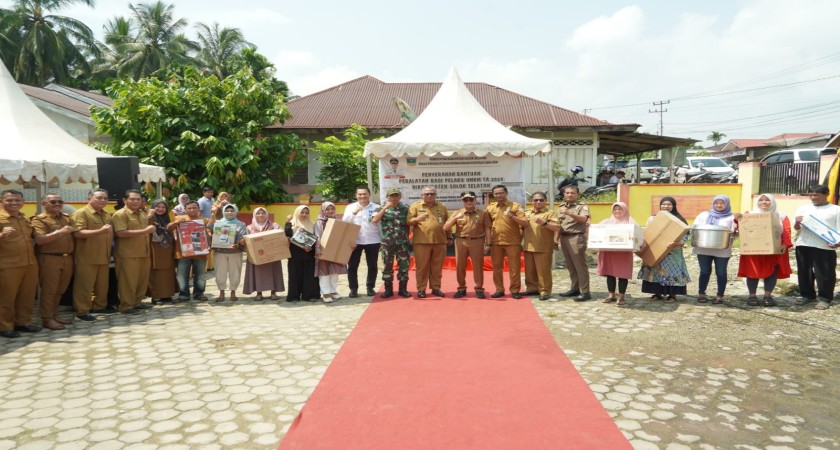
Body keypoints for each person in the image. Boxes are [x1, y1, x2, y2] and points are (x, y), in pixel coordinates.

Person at [737, 194, 792, 307]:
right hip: (753, 250)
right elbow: (739, 226)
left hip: (773, 250)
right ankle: (752, 295)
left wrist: (785, 244)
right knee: (752, 271)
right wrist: (736, 218)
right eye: (761, 200)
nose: (764, 202)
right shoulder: (749, 214)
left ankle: (767, 296)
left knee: (772, 271)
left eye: (767, 200)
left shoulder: (781, 215)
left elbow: (786, 230)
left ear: (772, 202)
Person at [793, 184, 840, 310]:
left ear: (826, 195)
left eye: (816, 195)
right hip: (803, 244)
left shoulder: (835, 210)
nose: (813, 197)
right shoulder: (803, 208)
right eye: (811, 194)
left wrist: (838, 242)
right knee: (804, 272)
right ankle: (807, 295)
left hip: (824, 246)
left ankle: (825, 298)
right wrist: (797, 222)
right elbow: (797, 228)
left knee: (825, 273)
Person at [31, 194, 75, 330]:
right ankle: (47, 319)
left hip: (67, 258)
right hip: (49, 258)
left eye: (60, 201)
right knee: (49, 290)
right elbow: (40, 240)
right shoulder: (39, 220)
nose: (57, 204)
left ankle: (54, 315)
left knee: (60, 290)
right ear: (44, 204)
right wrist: (60, 232)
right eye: (53, 202)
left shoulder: (66, 218)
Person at [0, 190, 40, 338]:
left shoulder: (24, 219)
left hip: (29, 263)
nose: (14, 203)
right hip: (7, 265)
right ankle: (4, 327)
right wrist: (2, 235)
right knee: (6, 298)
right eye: (9, 200)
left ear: (23, 201)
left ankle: (23, 323)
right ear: (2, 201)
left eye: (17, 200)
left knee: (27, 296)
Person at [71, 189, 114, 322]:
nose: (102, 200)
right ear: (89, 198)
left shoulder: (106, 214)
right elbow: (77, 233)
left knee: (102, 285)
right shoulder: (81, 213)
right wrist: (99, 231)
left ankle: (99, 307)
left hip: (103, 255)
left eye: (105, 198)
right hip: (87, 257)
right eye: (99, 198)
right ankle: (81, 312)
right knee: (84, 286)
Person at [637, 196, 690, 303]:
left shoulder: (680, 220)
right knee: (655, 270)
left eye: (669, 204)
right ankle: (657, 293)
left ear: (674, 206)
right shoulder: (654, 218)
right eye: (663, 204)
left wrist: (677, 243)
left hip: (672, 253)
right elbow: (648, 233)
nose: (666, 206)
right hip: (656, 250)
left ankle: (672, 295)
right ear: (660, 206)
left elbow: (685, 235)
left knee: (672, 272)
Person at [112, 189, 156, 314]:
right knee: (128, 282)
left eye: (138, 199)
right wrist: (145, 231)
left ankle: (137, 302)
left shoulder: (142, 214)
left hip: (143, 252)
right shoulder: (120, 214)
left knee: (141, 280)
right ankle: (126, 306)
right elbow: (120, 233)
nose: (136, 201)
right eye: (132, 199)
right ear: (125, 200)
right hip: (127, 254)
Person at [510, 191, 558, 301]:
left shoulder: (550, 213)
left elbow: (556, 228)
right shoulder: (527, 213)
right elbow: (521, 228)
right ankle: (532, 288)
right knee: (529, 271)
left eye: (541, 200)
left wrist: (544, 223)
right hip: (528, 246)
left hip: (543, 247)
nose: (539, 202)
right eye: (536, 200)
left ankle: (545, 291)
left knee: (543, 271)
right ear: (532, 201)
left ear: (545, 201)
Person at [443, 191, 491, 299]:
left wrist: (488, 244)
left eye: (471, 199)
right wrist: (456, 218)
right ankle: (461, 288)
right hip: (461, 241)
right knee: (460, 266)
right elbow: (446, 228)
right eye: (466, 200)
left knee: (478, 266)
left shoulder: (482, 213)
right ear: (462, 201)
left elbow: (487, 228)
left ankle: (479, 289)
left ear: (475, 200)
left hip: (477, 241)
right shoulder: (457, 213)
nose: (468, 202)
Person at [692, 195, 737, 304]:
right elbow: (695, 228)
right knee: (704, 272)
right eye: (717, 202)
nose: (719, 205)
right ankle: (701, 293)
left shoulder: (732, 218)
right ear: (713, 203)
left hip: (722, 249)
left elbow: (734, 234)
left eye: (722, 203)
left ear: (727, 204)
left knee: (721, 272)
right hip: (703, 249)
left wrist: (735, 230)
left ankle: (720, 296)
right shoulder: (704, 215)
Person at [407, 186, 449, 298]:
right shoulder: (415, 206)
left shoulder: (442, 206)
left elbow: (447, 223)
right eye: (426, 194)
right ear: (422, 195)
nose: (429, 196)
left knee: (437, 266)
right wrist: (416, 219)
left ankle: (436, 287)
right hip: (421, 241)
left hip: (439, 241)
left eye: (432, 194)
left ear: (436, 195)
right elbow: (408, 221)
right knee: (422, 266)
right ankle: (421, 289)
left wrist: (449, 237)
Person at [486, 184, 525, 299]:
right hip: (496, 242)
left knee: (514, 268)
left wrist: (512, 216)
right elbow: (487, 226)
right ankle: (499, 289)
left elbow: (525, 223)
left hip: (512, 242)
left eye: (501, 193)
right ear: (493, 195)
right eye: (496, 193)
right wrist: (487, 242)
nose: (499, 195)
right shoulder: (490, 208)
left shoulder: (515, 206)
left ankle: (515, 290)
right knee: (497, 268)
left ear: (506, 193)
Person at [372, 187, 411, 298]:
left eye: (396, 195)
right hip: (387, 243)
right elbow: (375, 220)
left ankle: (403, 289)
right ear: (387, 197)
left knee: (404, 266)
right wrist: (384, 208)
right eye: (391, 195)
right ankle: (388, 290)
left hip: (402, 243)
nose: (394, 197)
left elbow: (410, 223)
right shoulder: (380, 208)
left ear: (399, 197)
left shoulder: (405, 208)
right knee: (387, 266)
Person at [342, 187, 381, 297]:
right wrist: (354, 213)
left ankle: (370, 287)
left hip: (373, 240)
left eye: (364, 194)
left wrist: (382, 239)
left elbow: (379, 225)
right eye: (360, 194)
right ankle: (353, 289)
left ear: (369, 194)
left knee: (372, 265)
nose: (362, 196)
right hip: (355, 241)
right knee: (353, 266)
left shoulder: (376, 207)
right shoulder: (350, 207)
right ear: (356, 195)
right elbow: (344, 222)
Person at [597, 202, 637, 306]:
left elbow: (637, 236)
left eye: (620, 209)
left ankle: (622, 297)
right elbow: (596, 231)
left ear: (625, 210)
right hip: (609, 252)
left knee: (622, 274)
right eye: (615, 209)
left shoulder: (630, 222)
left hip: (623, 253)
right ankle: (611, 295)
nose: (617, 211)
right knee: (610, 273)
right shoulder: (606, 222)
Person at [556, 185, 592, 301]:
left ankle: (585, 292)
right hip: (564, 237)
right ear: (564, 194)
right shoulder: (561, 207)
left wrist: (569, 213)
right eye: (567, 193)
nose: (569, 195)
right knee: (571, 265)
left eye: (572, 193)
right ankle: (575, 288)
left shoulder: (582, 206)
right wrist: (555, 239)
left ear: (577, 194)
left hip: (576, 237)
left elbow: (583, 220)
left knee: (580, 266)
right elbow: (558, 224)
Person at [243, 207, 285, 301]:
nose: (261, 215)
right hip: (257, 255)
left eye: (263, 213)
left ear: (267, 214)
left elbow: (281, 237)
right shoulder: (249, 228)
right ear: (254, 215)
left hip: (273, 254)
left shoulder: (274, 226)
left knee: (273, 271)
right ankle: (259, 293)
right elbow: (247, 242)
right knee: (258, 273)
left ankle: (273, 292)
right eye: (258, 213)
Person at [174, 201, 210, 301]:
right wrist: (176, 223)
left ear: (199, 209)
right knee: (181, 275)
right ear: (185, 209)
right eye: (189, 208)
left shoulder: (204, 220)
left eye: (194, 208)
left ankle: (199, 293)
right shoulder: (179, 219)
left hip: (200, 252)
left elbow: (208, 234)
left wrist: (208, 241)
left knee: (200, 275)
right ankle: (184, 294)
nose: (192, 210)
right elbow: (169, 228)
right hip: (183, 253)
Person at [211, 204, 247, 301]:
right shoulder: (218, 223)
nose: (229, 212)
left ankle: (233, 293)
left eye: (232, 210)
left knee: (235, 272)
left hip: (235, 252)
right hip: (220, 252)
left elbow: (242, 237)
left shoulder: (241, 224)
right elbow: (210, 227)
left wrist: (239, 243)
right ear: (223, 212)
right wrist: (213, 213)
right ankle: (221, 293)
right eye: (227, 211)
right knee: (220, 272)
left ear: (235, 212)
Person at [147, 199, 179, 305]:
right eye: (158, 207)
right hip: (155, 249)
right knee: (156, 271)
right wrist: (149, 216)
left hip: (168, 248)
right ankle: (156, 296)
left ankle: (167, 295)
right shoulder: (150, 218)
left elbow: (169, 230)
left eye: (163, 207)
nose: (161, 209)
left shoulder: (167, 220)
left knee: (169, 271)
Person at [285, 205, 320, 302]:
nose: (304, 214)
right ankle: (294, 296)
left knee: (309, 276)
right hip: (294, 254)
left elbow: (316, 239)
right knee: (294, 276)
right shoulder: (290, 225)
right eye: (302, 212)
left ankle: (309, 295)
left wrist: (311, 248)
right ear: (297, 212)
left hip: (308, 254)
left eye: (306, 212)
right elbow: (286, 238)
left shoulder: (313, 225)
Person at [314, 202, 347, 303]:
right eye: (327, 209)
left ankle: (333, 291)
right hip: (323, 250)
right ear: (323, 210)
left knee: (334, 272)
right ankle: (325, 292)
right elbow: (317, 236)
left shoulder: (338, 221)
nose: (330, 211)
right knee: (324, 272)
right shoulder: (319, 222)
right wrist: (318, 249)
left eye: (332, 209)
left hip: (335, 250)